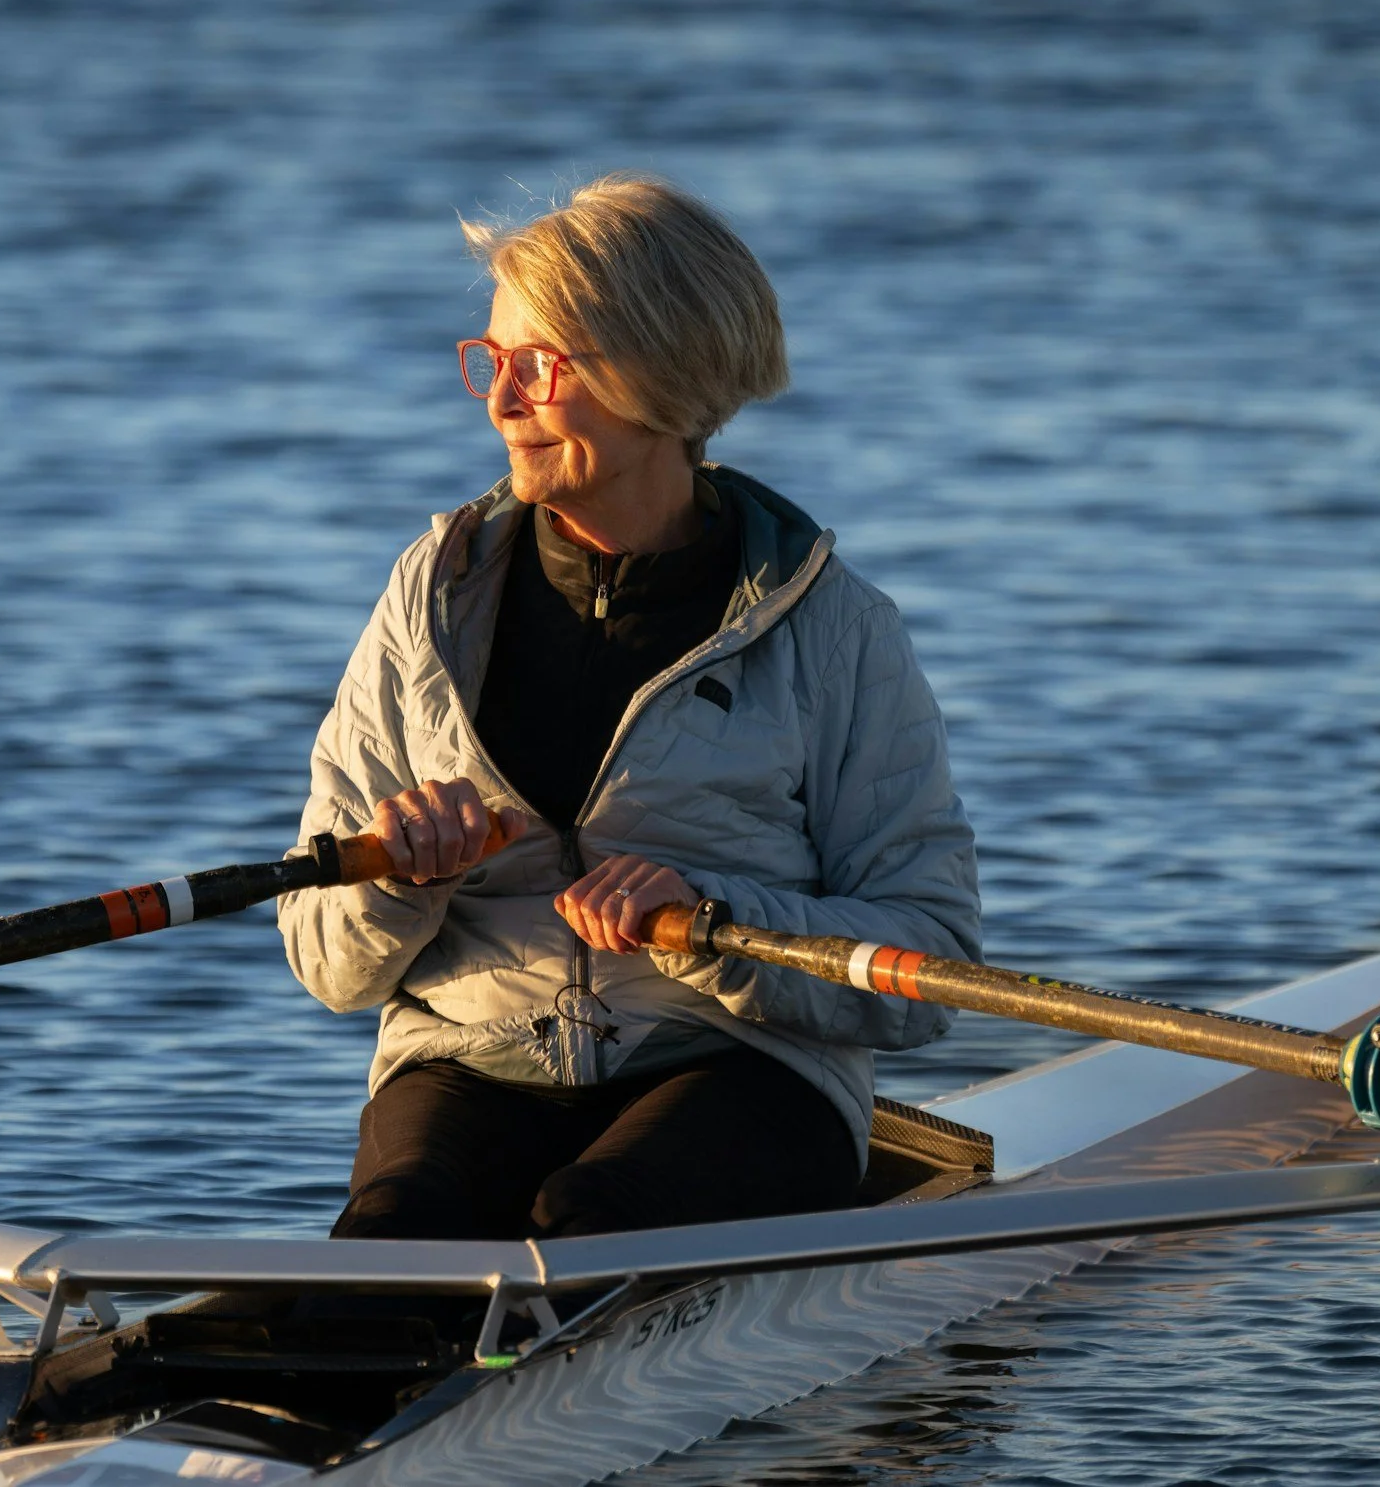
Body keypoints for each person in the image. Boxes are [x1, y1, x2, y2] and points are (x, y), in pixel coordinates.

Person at [277, 175, 980, 1243]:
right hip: (468, 1056)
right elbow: (328, 963)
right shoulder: (427, 599)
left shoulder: (832, 629)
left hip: (742, 1066)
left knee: (591, 1215)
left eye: (541, 366)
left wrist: (708, 923)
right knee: (397, 1228)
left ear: (663, 379)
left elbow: (927, 966)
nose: (501, 401)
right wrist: (393, 874)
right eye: (492, 360)